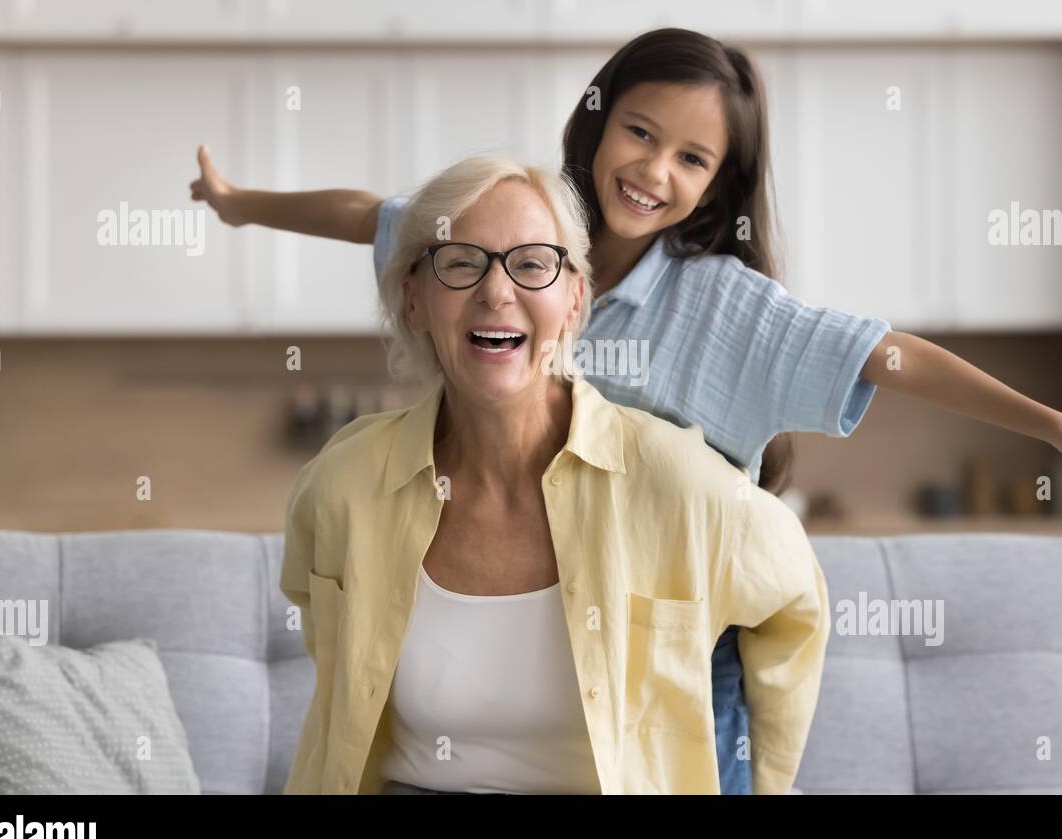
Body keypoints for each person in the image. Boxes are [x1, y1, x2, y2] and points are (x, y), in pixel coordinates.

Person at [197, 29, 1062, 793]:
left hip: (668, 628)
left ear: (719, 183)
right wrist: (243, 206)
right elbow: (369, 214)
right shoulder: (519, 240)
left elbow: (886, 353)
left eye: (692, 159)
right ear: (598, 123)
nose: (653, 169)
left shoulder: (727, 304)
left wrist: (1059, 431)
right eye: (640, 132)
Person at [280, 154, 828, 794]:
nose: (496, 291)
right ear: (413, 300)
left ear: (573, 300)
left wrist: (758, 782)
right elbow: (331, 655)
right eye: (460, 262)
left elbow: (796, 602)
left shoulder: (673, 481)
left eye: (533, 263)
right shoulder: (343, 485)